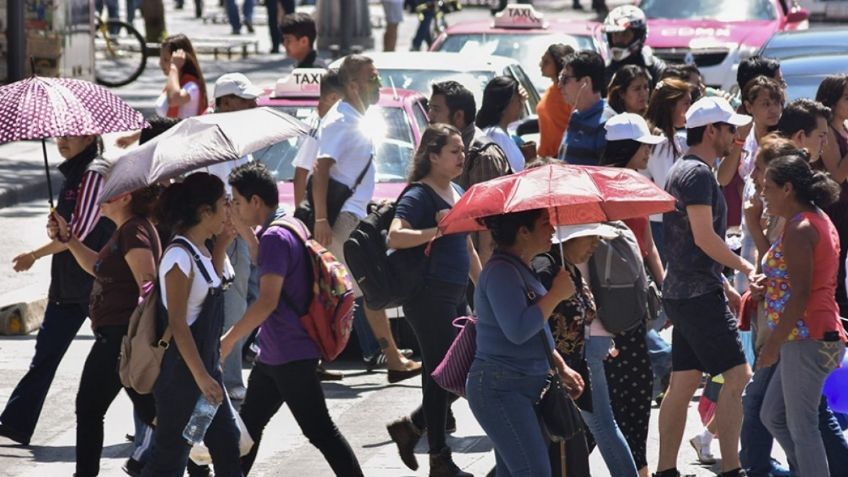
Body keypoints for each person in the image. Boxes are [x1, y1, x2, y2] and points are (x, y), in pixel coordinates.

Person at [220, 162, 364, 476]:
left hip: (289, 352)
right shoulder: (288, 222)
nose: (235, 207)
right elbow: (266, 260)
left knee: (320, 431)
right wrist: (244, 229)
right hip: (275, 352)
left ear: (255, 201)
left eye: (238, 202)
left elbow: (267, 301)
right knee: (248, 428)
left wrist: (229, 339)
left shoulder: (274, 236)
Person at [656, 97, 755, 477]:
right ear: (711, 131)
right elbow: (704, 237)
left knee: (683, 383)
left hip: (685, 292)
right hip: (696, 296)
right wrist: (743, 266)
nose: (734, 135)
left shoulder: (688, 170)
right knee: (738, 377)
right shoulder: (696, 174)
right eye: (730, 129)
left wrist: (723, 283)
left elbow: (692, 242)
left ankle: (666, 470)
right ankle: (732, 468)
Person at [309, 55, 422, 382]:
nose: (379, 83)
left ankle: (386, 357)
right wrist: (321, 219)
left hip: (354, 217)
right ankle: (391, 359)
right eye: (373, 77)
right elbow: (321, 168)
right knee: (365, 287)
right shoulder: (341, 120)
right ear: (354, 85)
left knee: (353, 290)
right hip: (342, 221)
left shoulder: (356, 118)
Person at [0, 135, 114, 446]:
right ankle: (15, 423)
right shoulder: (72, 175)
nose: (61, 141)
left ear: (88, 136)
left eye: (69, 135)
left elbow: (77, 233)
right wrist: (55, 226)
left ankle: (156, 423)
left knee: (122, 357)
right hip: (66, 285)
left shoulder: (94, 174)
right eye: (59, 135)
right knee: (45, 356)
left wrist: (34, 254)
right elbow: (66, 231)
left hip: (95, 284)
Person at [385, 125, 482, 476]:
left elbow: (468, 247)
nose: (462, 156)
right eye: (454, 151)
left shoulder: (457, 191)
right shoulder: (419, 195)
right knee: (445, 375)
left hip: (455, 296)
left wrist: (485, 291)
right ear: (433, 156)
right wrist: (437, 231)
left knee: (463, 371)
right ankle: (439, 458)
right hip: (428, 297)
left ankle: (412, 428)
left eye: (463, 150)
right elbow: (395, 236)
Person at [51, 185, 161, 477]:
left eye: (109, 193)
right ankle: (198, 459)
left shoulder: (134, 231)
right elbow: (97, 266)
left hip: (121, 338)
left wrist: (140, 338)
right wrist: (70, 239)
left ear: (126, 197)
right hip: (118, 336)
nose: (100, 199)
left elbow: (148, 285)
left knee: (90, 407)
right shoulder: (125, 230)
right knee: (153, 412)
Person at [466, 208, 583, 476]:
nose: (553, 229)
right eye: (545, 223)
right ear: (523, 232)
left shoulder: (519, 267)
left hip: (519, 385)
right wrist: (555, 295)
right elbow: (518, 330)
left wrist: (560, 366)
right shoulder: (500, 272)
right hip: (500, 389)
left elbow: (536, 329)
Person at [141, 173, 242, 476]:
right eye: (224, 204)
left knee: (225, 442)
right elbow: (178, 323)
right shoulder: (178, 256)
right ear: (204, 212)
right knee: (170, 459)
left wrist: (222, 245)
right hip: (183, 380)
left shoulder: (202, 250)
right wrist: (202, 378)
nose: (228, 210)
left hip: (206, 374)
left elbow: (211, 290)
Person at [758, 155, 848, 477]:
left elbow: (801, 295)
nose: (762, 193)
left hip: (807, 336)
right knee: (773, 415)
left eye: (768, 187)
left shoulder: (801, 227)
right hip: (811, 334)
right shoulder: (812, 219)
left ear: (787, 188)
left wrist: (772, 346)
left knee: (803, 427)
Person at [601, 113, 668, 477]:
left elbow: (649, 245)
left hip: (635, 301)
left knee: (636, 389)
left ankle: (638, 467)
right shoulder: (604, 188)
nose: (648, 153)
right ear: (629, 147)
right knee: (625, 392)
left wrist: (663, 286)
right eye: (644, 147)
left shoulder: (638, 183)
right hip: (610, 305)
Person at [206, 72, 265, 401]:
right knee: (234, 307)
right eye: (246, 99)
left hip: (238, 235)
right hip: (228, 237)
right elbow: (228, 203)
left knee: (247, 301)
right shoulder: (219, 141)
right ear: (226, 103)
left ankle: (228, 372)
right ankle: (229, 382)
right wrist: (250, 239)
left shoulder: (235, 137)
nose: (254, 104)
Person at [428, 80, 510, 266]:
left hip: (472, 269)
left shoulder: (482, 156)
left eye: (436, 109)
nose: (430, 115)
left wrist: (482, 280)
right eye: (429, 108)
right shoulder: (438, 148)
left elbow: (488, 230)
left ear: (458, 116)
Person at [644, 77, 692, 262]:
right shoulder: (661, 141)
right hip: (662, 224)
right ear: (670, 105)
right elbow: (669, 187)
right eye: (685, 104)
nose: (689, 110)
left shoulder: (667, 137)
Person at [816, 76, 848, 316]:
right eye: (846, 98)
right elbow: (837, 174)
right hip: (836, 209)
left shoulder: (844, 129)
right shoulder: (827, 133)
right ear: (832, 101)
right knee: (836, 270)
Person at [558, 50, 616, 165]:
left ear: (586, 82)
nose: (559, 85)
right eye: (560, 78)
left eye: (565, 79)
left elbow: (609, 173)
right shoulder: (576, 116)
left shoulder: (607, 125)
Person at [602, 5, 666, 89]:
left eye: (624, 34)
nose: (618, 40)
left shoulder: (655, 68)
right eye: (615, 34)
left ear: (638, 35)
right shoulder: (604, 71)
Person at [476, 76, 529, 173]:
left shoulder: (501, 132)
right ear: (505, 105)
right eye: (518, 100)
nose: (521, 104)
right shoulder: (497, 135)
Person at [155, 34, 207, 119]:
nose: (161, 63)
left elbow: (173, 99)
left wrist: (174, 67)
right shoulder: (173, 84)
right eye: (161, 59)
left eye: (166, 60)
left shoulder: (192, 86)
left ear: (181, 60)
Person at [536, 43, 575, 157]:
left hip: (562, 158)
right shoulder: (550, 90)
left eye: (546, 62)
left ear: (559, 64)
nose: (540, 65)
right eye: (542, 60)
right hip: (546, 158)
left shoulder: (569, 94)